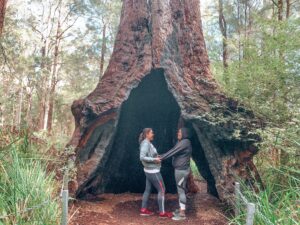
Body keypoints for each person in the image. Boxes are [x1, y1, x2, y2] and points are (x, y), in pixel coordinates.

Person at [139, 128, 172, 218]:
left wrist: (156, 156)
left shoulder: (147, 143)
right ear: (147, 134)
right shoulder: (146, 143)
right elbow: (142, 157)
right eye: (152, 133)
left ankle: (143, 210)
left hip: (148, 170)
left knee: (147, 190)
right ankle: (162, 213)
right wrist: (154, 159)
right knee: (162, 190)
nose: (153, 134)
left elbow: (149, 154)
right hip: (153, 171)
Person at [160, 127, 192, 221]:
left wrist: (161, 157)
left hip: (181, 171)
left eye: (179, 132)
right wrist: (162, 156)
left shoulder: (185, 142)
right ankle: (181, 209)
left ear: (184, 133)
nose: (178, 134)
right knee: (181, 189)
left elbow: (173, 151)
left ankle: (182, 214)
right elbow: (174, 150)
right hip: (180, 170)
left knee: (180, 190)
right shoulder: (183, 142)